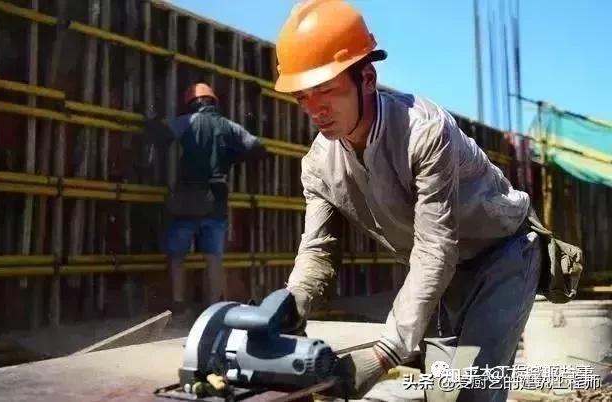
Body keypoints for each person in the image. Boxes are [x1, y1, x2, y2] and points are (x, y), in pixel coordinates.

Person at [273, 1, 556, 401]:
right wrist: (288, 307)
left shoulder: (424, 132)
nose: (315, 109)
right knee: (441, 394)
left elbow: (435, 246)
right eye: (302, 96)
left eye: (326, 90)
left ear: (367, 78)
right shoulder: (318, 165)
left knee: (472, 393)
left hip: (502, 257)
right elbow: (319, 251)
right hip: (441, 273)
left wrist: (386, 351)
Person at [145, 83, 268, 315]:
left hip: (187, 196)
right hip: (217, 198)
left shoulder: (187, 121)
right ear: (213, 102)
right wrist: (232, 157)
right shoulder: (229, 126)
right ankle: (212, 309)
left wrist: (150, 122)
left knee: (177, 255)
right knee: (213, 257)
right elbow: (258, 147)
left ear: (192, 103)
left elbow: (162, 136)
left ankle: (178, 304)